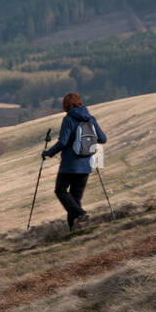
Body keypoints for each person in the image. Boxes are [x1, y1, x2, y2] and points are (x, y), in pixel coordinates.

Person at [43, 92, 107, 229]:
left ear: (66, 105)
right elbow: (103, 139)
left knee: (60, 190)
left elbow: (63, 142)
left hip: (70, 165)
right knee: (75, 198)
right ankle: (74, 229)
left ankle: (81, 214)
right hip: (85, 165)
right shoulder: (90, 119)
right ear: (79, 102)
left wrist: (49, 153)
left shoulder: (69, 119)